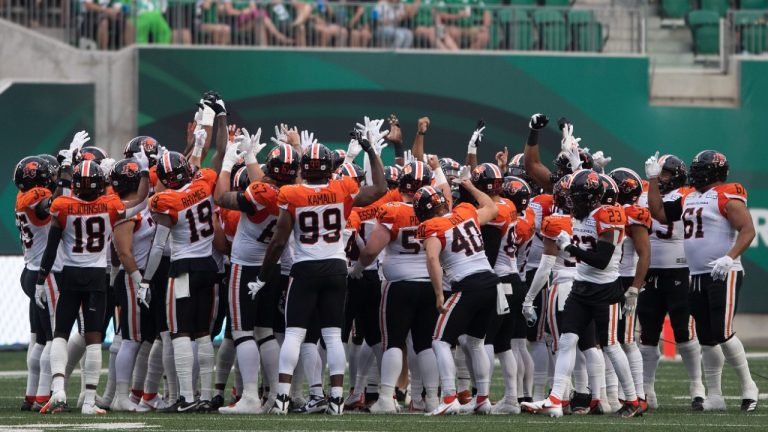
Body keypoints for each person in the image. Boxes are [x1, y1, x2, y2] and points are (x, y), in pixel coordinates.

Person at [252, 133, 387, 415]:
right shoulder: (343, 188)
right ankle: (336, 399)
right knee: (334, 335)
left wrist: (263, 276)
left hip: (305, 267)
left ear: (303, 167)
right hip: (336, 267)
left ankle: (282, 398)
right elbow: (380, 189)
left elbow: (278, 242)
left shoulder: (291, 194)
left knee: (294, 334)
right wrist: (371, 151)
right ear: (329, 167)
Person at [522, 169, 640, 418]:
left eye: (575, 198)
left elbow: (602, 260)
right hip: (580, 287)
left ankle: (632, 400)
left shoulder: (608, 215)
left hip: (605, 289)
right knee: (566, 341)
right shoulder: (580, 215)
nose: (571, 203)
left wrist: (570, 247)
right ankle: (556, 399)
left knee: (610, 345)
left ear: (592, 198)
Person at [646, 150, 758, 412]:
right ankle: (715, 395)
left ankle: (749, 387)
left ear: (714, 172)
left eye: (699, 169)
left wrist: (729, 257)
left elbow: (748, 230)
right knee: (706, 337)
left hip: (723, 272)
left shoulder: (726, 194)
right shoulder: (690, 197)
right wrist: (652, 180)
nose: (694, 174)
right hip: (696, 274)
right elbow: (659, 213)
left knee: (722, 332)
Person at [39, 155, 147, 415]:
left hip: (70, 274)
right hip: (97, 276)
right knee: (94, 338)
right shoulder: (110, 205)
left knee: (60, 333)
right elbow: (141, 202)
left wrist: (41, 280)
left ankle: (59, 389)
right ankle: (88, 401)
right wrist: (144, 169)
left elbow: (51, 247)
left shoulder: (62, 205)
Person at [214, 141, 300, 414]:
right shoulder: (293, 195)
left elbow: (221, 197)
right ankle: (275, 395)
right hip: (271, 267)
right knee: (265, 332)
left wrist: (227, 164)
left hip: (246, 266)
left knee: (242, 332)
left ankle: (250, 396)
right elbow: (264, 186)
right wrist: (251, 156)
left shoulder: (260, 192)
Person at [351, 161, 440, 414]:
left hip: (399, 286)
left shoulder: (393, 210)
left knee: (393, 342)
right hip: (428, 283)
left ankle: (386, 398)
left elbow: (371, 250)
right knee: (424, 344)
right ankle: (432, 400)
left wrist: (358, 268)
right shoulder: (436, 212)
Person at [415, 180, 499, 416]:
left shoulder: (432, 226)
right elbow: (492, 208)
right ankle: (482, 399)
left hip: (468, 286)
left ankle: (450, 398)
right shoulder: (466, 211)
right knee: (475, 342)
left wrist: (439, 294)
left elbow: (432, 259)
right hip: (490, 282)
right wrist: (471, 187)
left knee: (439, 341)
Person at [638, 154, 705, 410]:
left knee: (684, 332)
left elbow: (662, 213)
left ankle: (697, 386)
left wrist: (653, 182)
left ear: (676, 176)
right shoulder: (644, 193)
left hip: (679, 270)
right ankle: (647, 388)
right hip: (650, 271)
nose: (661, 177)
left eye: (664, 173)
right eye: (659, 173)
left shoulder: (686, 195)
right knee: (647, 334)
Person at [109, 158, 156, 412]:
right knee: (131, 339)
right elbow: (124, 253)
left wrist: (146, 171)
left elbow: (144, 195)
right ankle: (120, 396)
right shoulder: (123, 210)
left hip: (143, 278)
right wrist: (139, 282)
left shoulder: (140, 203)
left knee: (142, 338)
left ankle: (137, 394)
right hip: (133, 278)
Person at [14, 156, 56, 412]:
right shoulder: (38, 198)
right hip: (44, 274)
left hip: (30, 271)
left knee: (40, 339)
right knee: (53, 337)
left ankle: (31, 395)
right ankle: (42, 397)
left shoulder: (22, 197)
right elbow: (49, 206)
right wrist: (65, 179)